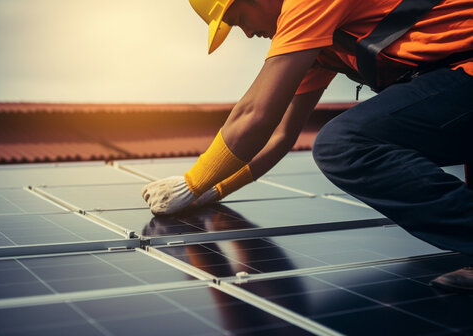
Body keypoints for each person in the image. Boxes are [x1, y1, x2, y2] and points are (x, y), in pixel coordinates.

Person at [142, 0, 473, 292]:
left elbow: (255, 114)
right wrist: (213, 190)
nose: (246, 33)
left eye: (240, 18)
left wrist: (192, 182)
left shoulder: (309, 3)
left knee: (343, 144)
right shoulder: (322, 46)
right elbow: (279, 136)